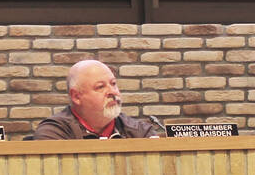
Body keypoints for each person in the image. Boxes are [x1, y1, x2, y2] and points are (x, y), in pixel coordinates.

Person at [27, 59, 163, 140]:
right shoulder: (54, 133)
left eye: (113, 83)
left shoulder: (140, 132)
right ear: (76, 96)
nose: (112, 92)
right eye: (100, 87)